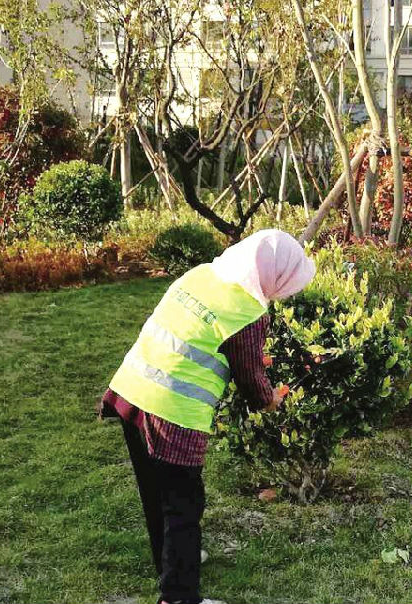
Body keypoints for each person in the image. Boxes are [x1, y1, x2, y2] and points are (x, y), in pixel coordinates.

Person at [99, 229, 315, 604]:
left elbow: (201, 338)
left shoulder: (204, 274)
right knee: (184, 504)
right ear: (274, 275)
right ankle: (178, 596)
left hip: (132, 390)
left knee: (156, 492)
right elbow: (254, 388)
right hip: (173, 412)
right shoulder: (247, 311)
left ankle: (170, 564)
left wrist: (250, 362)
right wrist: (272, 399)